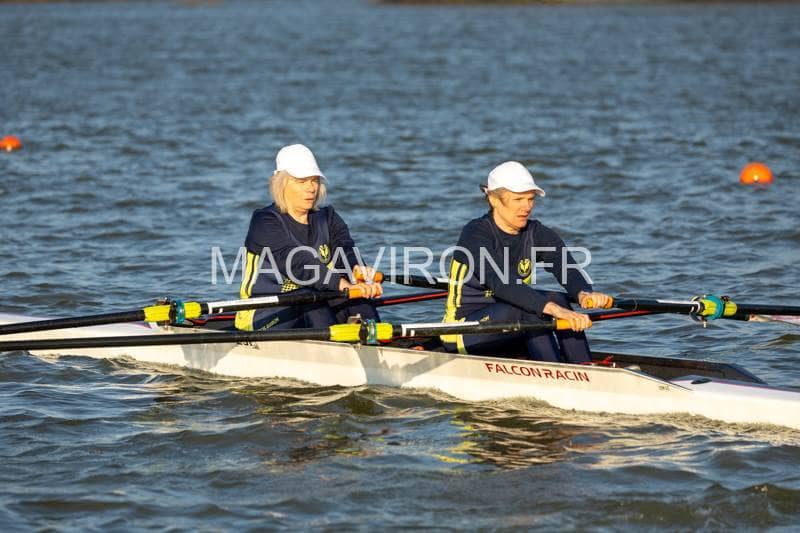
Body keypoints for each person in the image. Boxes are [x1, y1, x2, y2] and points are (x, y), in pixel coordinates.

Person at [442, 161, 612, 363]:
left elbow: (566, 267)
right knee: (535, 307)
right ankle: (553, 371)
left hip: (514, 327)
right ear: (494, 200)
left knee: (556, 298)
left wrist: (583, 293)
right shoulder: (475, 234)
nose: (527, 207)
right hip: (464, 331)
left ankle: (583, 366)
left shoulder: (536, 233)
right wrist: (554, 311)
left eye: (531, 199)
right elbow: (501, 282)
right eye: (518, 199)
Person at [235, 144, 382, 331]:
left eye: (314, 180)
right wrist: (342, 285)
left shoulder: (328, 218)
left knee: (357, 298)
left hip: (316, 304)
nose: (311, 188)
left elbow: (345, 251)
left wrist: (359, 273)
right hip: (264, 313)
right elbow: (298, 263)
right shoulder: (264, 222)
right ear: (282, 184)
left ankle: (379, 340)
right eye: (302, 181)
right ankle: (334, 346)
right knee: (310, 296)